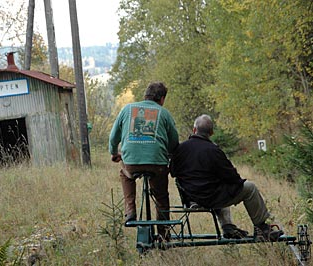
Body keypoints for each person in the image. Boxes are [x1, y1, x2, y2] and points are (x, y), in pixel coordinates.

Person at [170, 114, 284, 241]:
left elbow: (173, 172)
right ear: (211, 132)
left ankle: (228, 226)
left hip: (190, 198)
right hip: (211, 197)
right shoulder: (213, 150)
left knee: (221, 188)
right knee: (249, 188)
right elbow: (232, 177)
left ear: (194, 130)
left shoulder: (180, 149)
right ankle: (262, 228)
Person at [109, 82, 179, 240]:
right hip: (158, 164)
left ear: (145, 95)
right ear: (161, 99)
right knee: (161, 197)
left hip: (132, 163)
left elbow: (113, 137)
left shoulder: (127, 109)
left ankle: (130, 210)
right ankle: (163, 234)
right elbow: (174, 142)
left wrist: (114, 153)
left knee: (125, 173)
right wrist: (169, 153)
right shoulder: (164, 113)